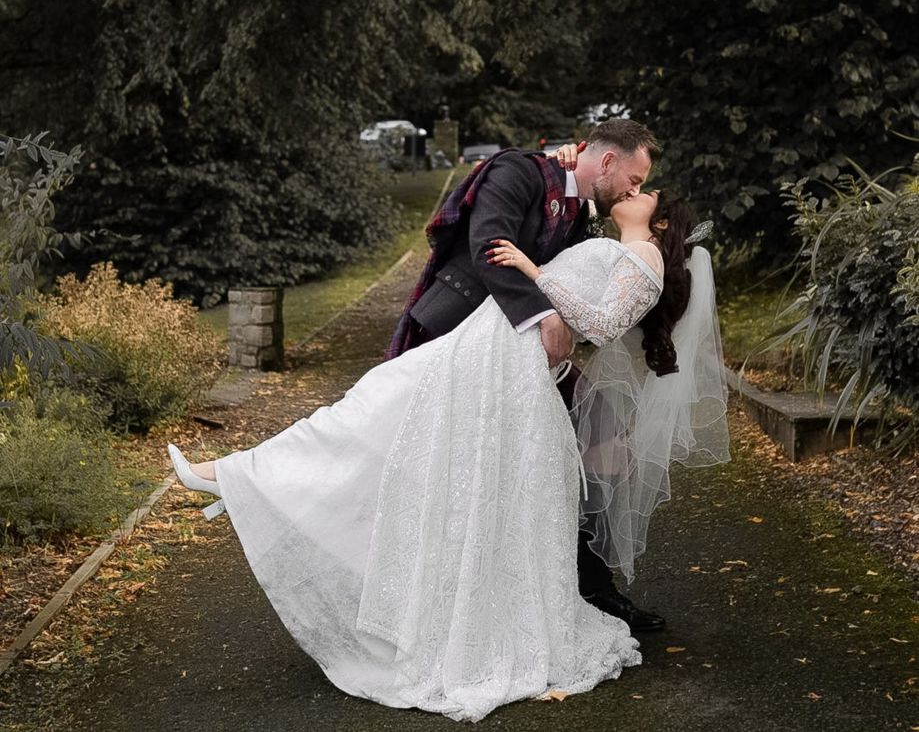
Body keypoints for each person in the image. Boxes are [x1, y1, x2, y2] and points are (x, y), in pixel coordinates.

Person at [168, 190, 728, 721]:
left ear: (658, 223)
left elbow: (600, 323)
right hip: (489, 350)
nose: (637, 188)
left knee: (378, 418)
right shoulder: (619, 246)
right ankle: (246, 476)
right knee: (382, 421)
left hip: (503, 362)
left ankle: (243, 477)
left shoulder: (646, 258)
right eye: (635, 179)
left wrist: (532, 273)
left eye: (648, 190)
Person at [388, 120, 667, 631]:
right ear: (606, 161)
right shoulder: (519, 171)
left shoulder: (581, 206)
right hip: (457, 333)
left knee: (597, 426)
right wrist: (543, 315)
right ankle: (434, 593)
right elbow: (489, 246)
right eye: (634, 177)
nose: (637, 190)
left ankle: (589, 588)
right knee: (432, 463)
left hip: (523, 352)